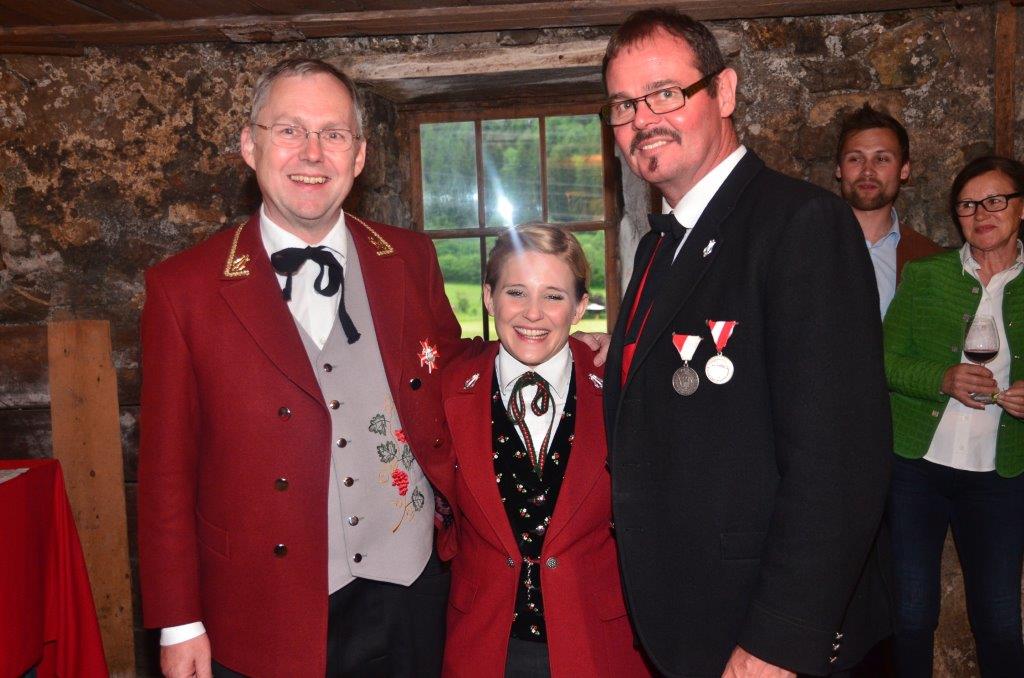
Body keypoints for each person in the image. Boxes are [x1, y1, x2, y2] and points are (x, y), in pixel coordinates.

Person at [138, 58, 466, 677]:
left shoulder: (411, 258)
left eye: (333, 134)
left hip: (411, 587)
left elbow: (455, 376)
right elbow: (164, 475)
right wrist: (179, 621)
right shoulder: (182, 289)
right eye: (289, 130)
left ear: (359, 155)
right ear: (250, 145)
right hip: (262, 603)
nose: (312, 154)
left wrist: (570, 348)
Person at [599, 9, 893, 676]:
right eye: (623, 105)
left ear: (724, 91)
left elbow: (840, 463)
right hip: (691, 617)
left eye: (665, 92)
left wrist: (779, 640)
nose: (643, 120)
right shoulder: (658, 247)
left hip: (760, 634)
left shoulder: (802, 224)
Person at [438, 225, 650, 678]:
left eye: (553, 296)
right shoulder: (447, 388)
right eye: (516, 292)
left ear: (579, 307)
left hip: (599, 645)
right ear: (489, 297)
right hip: (482, 643)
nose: (532, 313)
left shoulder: (623, 387)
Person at [883, 155, 1024, 676]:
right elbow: (882, 360)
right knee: (912, 616)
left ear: (1021, 208)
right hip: (916, 469)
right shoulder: (925, 276)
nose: (981, 213)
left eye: (995, 200)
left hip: (1001, 475)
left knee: (1000, 621)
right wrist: (941, 378)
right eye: (967, 205)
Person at [834, 103, 943, 317]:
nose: (867, 171)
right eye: (855, 158)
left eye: (882, 159)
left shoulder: (930, 259)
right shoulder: (803, 248)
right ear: (839, 168)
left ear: (904, 170)